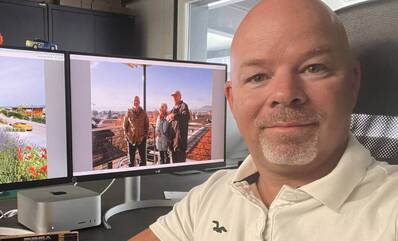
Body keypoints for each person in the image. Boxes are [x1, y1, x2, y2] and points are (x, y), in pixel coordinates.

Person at [129, 0, 398, 240]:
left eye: (313, 68)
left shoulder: (390, 210)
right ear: (232, 100)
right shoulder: (211, 195)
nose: (284, 94)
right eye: (258, 77)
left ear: (352, 83)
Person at [123, 96, 149, 167]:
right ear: (133, 102)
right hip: (131, 139)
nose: (136, 102)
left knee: (143, 160)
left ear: (139, 102)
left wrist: (145, 135)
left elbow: (147, 124)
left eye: (137, 100)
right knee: (131, 161)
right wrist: (126, 135)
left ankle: (143, 175)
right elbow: (125, 125)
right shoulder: (129, 112)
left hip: (141, 138)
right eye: (135, 100)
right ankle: (132, 175)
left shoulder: (143, 113)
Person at [168, 90, 190, 163]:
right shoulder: (173, 108)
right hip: (173, 141)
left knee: (180, 164)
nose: (174, 98)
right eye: (173, 96)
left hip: (180, 141)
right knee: (174, 164)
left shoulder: (184, 106)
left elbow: (185, 117)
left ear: (180, 96)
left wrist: (174, 116)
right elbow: (169, 119)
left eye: (176, 96)